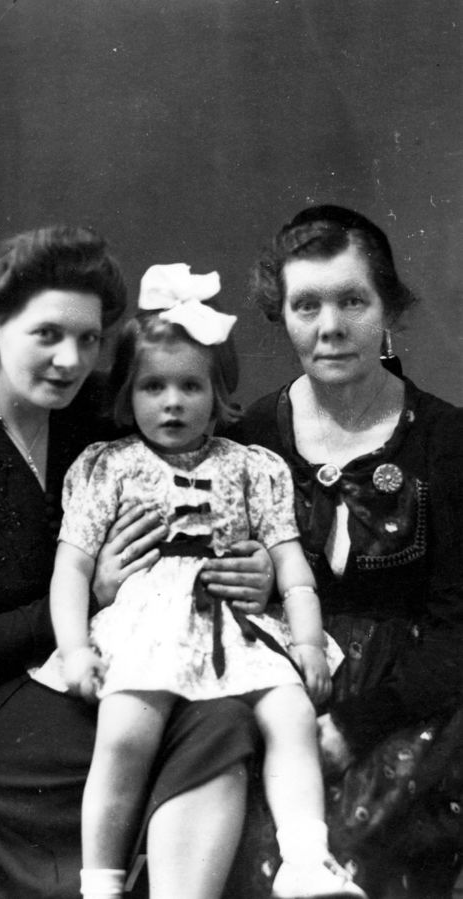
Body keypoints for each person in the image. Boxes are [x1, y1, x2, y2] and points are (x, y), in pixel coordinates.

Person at [0, 227, 273, 899]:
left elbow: (224, 447)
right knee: (179, 736)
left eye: (88, 338)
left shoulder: (97, 409)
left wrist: (258, 557)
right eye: (47, 335)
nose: (70, 360)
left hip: (117, 658)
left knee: (223, 716)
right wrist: (91, 595)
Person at [34, 262, 361, 899]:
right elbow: (71, 567)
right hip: (146, 628)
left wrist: (307, 642)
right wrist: (73, 649)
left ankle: (305, 859)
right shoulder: (109, 467)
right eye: (153, 386)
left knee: (292, 713)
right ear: (128, 394)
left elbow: (291, 566)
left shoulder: (251, 467)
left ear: (218, 393)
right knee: (125, 732)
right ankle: (100, 882)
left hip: (235, 626)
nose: (173, 402)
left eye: (191, 385)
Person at [220, 205, 463, 899]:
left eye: (352, 300)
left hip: (412, 705)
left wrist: (356, 726)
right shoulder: (250, 437)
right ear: (281, 314)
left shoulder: (445, 441)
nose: (329, 326)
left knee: (355, 860)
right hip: (278, 699)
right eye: (306, 305)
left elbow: (458, 629)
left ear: (388, 309)